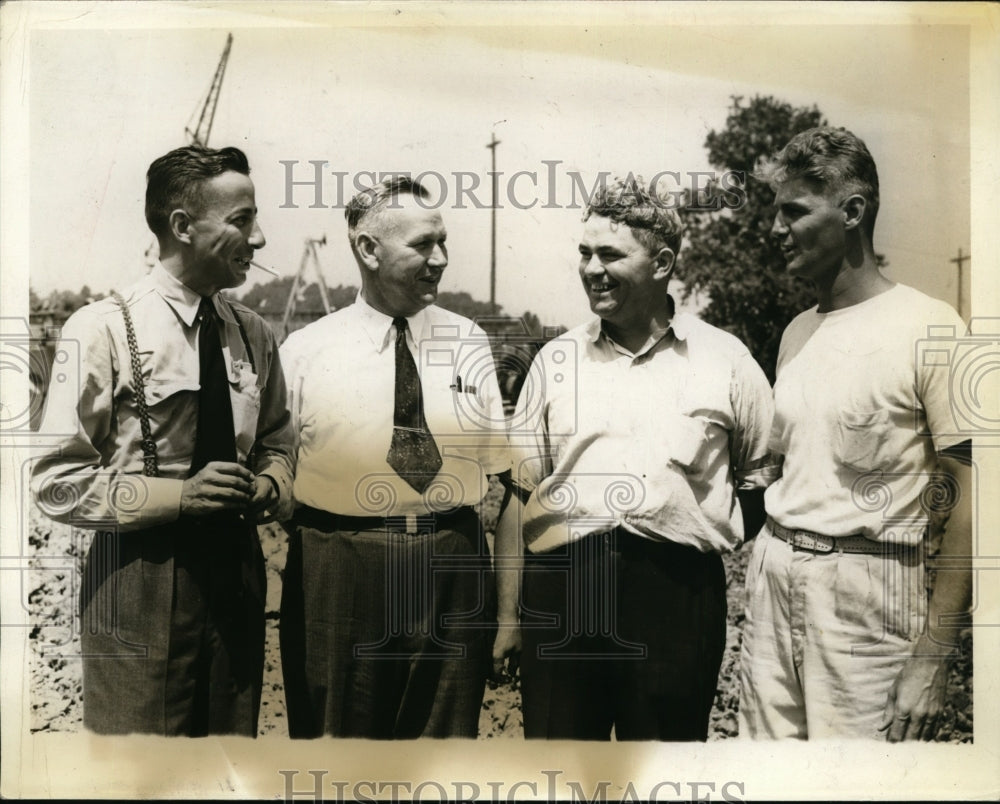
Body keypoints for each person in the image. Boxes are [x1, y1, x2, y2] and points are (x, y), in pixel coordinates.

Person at [492, 176, 775, 740]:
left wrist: (684, 543)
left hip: (675, 598)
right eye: (584, 252)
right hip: (564, 591)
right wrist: (507, 617)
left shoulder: (726, 360)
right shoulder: (555, 361)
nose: (592, 269)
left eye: (611, 254)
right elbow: (518, 496)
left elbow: (760, 481)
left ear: (663, 262)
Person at [31, 145, 294, 736]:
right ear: (181, 226)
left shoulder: (254, 333)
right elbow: (54, 486)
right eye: (242, 220)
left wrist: (273, 480)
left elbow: (278, 439)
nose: (258, 240)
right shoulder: (100, 329)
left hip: (238, 579)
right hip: (138, 578)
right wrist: (179, 498)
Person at [738, 127, 973, 741]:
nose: (775, 228)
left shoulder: (931, 327)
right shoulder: (796, 334)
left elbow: (975, 497)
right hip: (775, 578)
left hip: (868, 595)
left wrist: (935, 651)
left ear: (852, 212)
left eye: (794, 211)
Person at [279, 176, 512, 739]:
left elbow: (507, 481)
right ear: (367, 249)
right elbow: (274, 475)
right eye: (423, 244)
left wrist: (506, 614)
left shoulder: (469, 343)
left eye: (444, 241)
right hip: (341, 572)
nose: (440, 259)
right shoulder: (306, 352)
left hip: (453, 565)